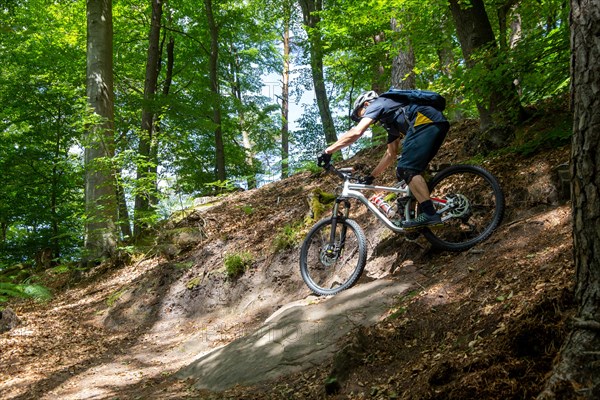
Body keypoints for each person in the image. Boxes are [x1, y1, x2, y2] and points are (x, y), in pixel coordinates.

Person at [317, 90, 449, 230]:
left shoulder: (378, 103)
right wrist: (371, 176)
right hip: (434, 123)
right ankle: (413, 218)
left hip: (425, 122)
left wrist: (328, 151)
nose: (360, 117)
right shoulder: (391, 119)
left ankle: (429, 213)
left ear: (366, 104)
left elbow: (356, 132)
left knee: (406, 168)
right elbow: (390, 154)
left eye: (359, 114)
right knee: (404, 172)